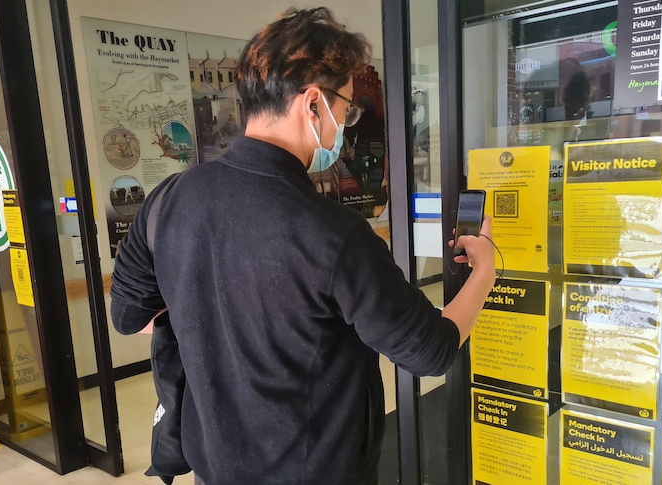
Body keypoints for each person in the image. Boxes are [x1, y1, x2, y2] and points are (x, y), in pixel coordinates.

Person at [110, 7, 496, 484]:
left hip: (215, 466)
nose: (346, 123)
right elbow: (430, 352)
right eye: (346, 108)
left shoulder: (167, 200)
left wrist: (208, 318)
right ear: (312, 103)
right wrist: (483, 272)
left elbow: (129, 316)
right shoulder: (334, 234)